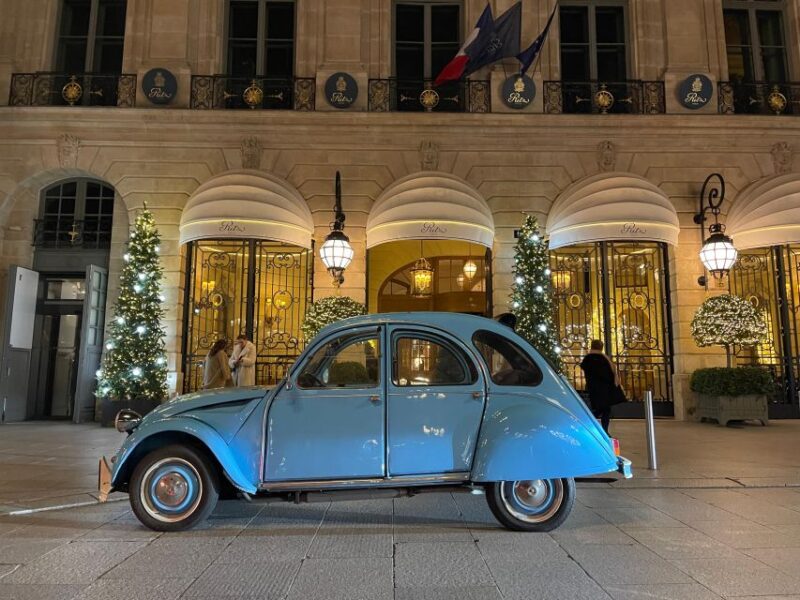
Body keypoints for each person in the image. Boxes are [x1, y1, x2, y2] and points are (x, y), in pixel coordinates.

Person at [579, 339, 626, 433]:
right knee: (605, 411)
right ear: (601, 347)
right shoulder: (604, 359)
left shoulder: (587, 359)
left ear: (592, 346)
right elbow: (608, 375)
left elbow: (584, 368)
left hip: (592, 388)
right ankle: (604, 430)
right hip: (604, 390)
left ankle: (589, 427)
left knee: (597, 409)